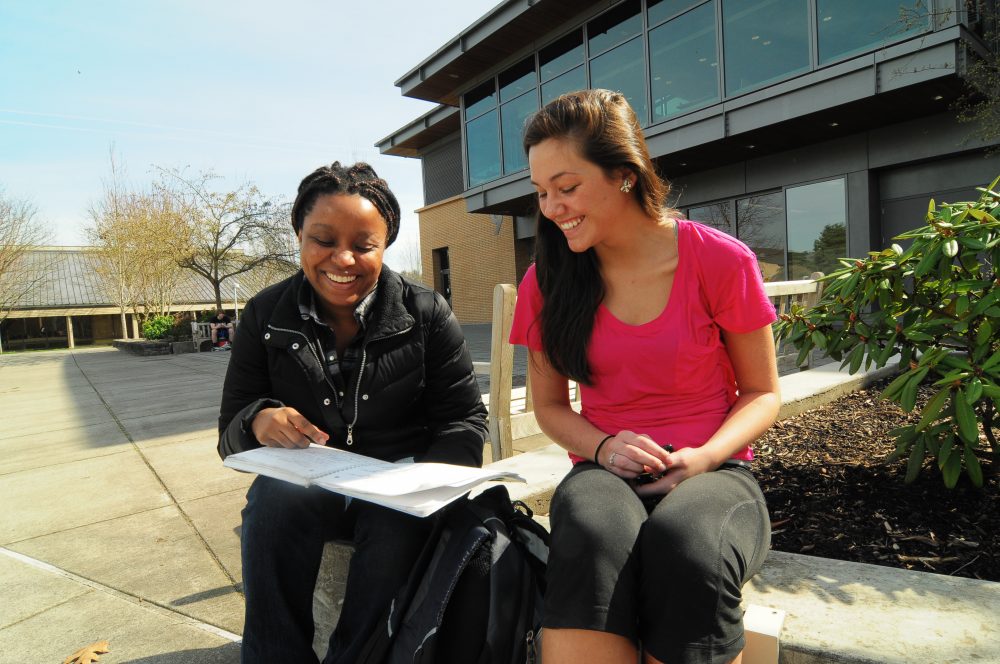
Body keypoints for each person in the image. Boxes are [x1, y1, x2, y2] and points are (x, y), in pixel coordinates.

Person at [510, 89, 779, 664]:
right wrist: (605, 448)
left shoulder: (721, 260)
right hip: (603, 471)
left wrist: (704, 457)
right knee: (589, 537)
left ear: (625, 174)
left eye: (567, 186)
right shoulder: (546, 280)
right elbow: (551, 407)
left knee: (688, 545)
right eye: (541, 193)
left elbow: (762, 393)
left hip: (718, 470)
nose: (552, 207)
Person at [217, 161, 487, 664]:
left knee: (394, 525)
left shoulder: (426, 313)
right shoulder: (264, 314)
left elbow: (464, 420)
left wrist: (430, 479)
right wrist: (257, 420)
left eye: (364, 246)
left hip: (394, 482)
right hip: (308, 482)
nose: (343, 258)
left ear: (385, 247)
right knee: (272, 505)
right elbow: (229, 434)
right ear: (298, 234)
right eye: (323, 239)